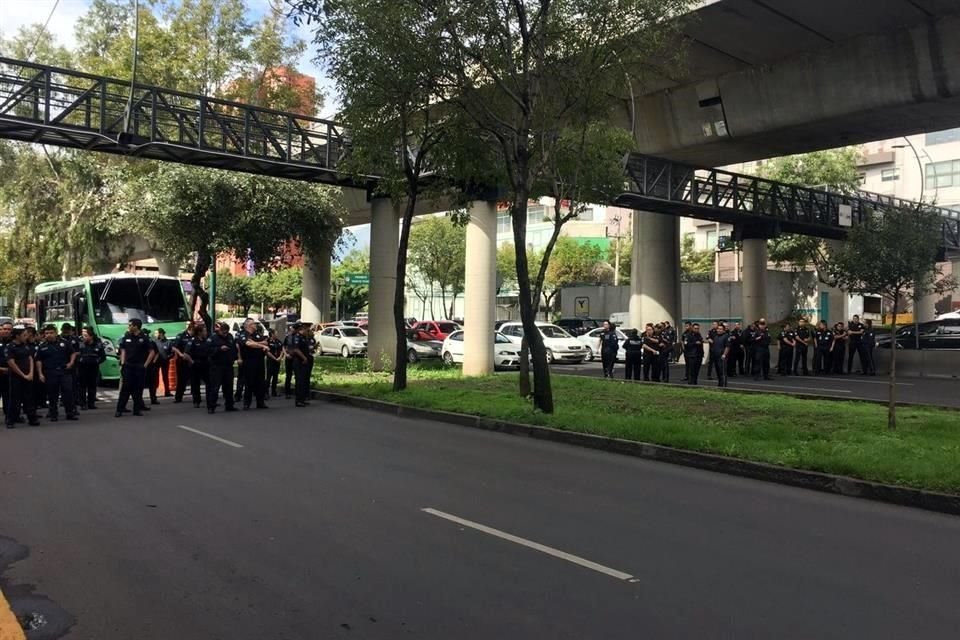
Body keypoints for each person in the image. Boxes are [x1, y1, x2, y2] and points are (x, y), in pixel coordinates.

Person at [36, 324, 79, 422]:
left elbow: (72, 353)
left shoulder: (64, 343)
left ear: (55, 333)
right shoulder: (42, 346)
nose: (49, 335)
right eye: (46, 333)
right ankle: (53, 414)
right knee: (52, 395)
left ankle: (70, 413)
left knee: (68, 393)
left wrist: (71, 362)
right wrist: (40, 374)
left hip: (64, 371)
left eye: (51, 333)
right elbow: (38, 360)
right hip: (50, 372)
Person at [116, 319, 153, 418]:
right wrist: (122, 363)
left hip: (139, 366)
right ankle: (119, 410)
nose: (128, 327)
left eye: (130, 325)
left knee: (138, 389)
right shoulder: (127, 336)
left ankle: (137, 410)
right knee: (125, 388)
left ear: (136, 326)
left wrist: (145, 364)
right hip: (128, 366)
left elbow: (151, 352)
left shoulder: (144, 338)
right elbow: (123, 350)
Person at [5, 326, 39, 428]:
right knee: (15, 399)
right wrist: (23, 375)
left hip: (28, 375)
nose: (26, 336)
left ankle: (32, 418)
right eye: (24, 335)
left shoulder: (26, 346)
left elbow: (30, 359)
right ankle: (10, 420)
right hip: (16, 376)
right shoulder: (10, 347)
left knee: (29, 398)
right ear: (17, 336)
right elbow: (11, 363)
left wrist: (31, 373)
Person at [206, 322, 238, 414]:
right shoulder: (213, 338)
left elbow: (234, 348)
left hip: (228, 365)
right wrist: (219, 349)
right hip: (217, 366)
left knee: (229, 386)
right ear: (219, 331)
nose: (225, 334)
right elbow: (207, 350)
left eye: (226, 332)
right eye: (223, 332)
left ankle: (229, 405)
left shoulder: (230, 337)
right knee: (215, 387)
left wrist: (234, 357)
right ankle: (211, 406)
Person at [238, 318, 269, 410]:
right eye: (254, 324)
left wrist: (256, 343)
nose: (255, 325)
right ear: (249, 325)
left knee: (260, 382)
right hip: (249, 361)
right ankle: (247, 403)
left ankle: (260, 402)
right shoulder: (243, 334)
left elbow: (266, 342)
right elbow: (248, 344)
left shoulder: (257, 334)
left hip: (259, 361)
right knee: (249, 382)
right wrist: (261, 345)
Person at [77, 326, 105, 410]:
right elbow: (74, 354)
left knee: (92, 386)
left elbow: (103, 356)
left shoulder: (98, 343)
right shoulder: (79, 342)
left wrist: (96, 361)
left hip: (93, 368)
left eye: (85, 335)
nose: (83, 337)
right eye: (83, 335)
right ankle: (82, 404)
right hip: (82, 368)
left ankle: (91, 403)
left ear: (91, 336)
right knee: (82, 387)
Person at [287, 322, 311, 407]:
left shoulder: (304, 337)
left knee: (304, 380)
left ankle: (303, 399)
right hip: (299, 361)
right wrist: (304, 358)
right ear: (302, 330)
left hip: (304, 362)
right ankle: (298, 400)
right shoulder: (297, 337)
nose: (307, 331)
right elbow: (296, 349)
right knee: (299, 381)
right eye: (306, 329)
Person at [60, 323, 82, 408]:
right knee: (63, 384)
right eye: (64, 330)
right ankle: (63, 399)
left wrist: (75, 354)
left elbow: (81, 350)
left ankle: (75, 399)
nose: (66, 332)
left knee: (74, 383)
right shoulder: (59, 339)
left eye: (67, 330)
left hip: (74, 364)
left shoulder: (75, 339)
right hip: (63, 363)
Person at [188, 324, 210, 408]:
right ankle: (196, 401)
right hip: (196, 364)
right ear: (199, 332)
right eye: (204, 331)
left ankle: (210, 400)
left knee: (209, 383)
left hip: (205, 364)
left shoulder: (207, 340)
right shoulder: (193, 340)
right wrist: (192, 362)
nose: (206, 332)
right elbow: (186, 354)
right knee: (195, 384)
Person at [171, 322, 194, 403]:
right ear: (189, 329)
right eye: (193, 331)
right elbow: (174, 347)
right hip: (182, 361)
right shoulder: (181, 335)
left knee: (194, 378)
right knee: (182, 380)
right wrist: (180, 354)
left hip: (192, 360)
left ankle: (196, 397)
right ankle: (178, 397)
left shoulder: (195, 336)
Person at [710, 323, 732, 387]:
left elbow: (727, 347)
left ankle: (724, 386)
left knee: (722, 372)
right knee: (718, 372)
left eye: (721, 329)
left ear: (724, 330)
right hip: (716, 357)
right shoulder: (716, 337)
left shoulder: (726, 336)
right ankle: (720, 384)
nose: (719, 330)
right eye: (718, 329)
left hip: (722, 357)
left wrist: (724, 354)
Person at [265, 328, 284, 397]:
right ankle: (266, 392)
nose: (277, 335)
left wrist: (280, 357)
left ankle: (274, 391)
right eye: (276, 333)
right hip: (271, 361)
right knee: (268, 377)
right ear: (272, 334)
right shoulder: (267, 341)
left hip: (277, 361)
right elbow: (267, 352)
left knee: (275, 377)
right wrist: (274, 358)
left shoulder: (278, 341)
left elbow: (282, 349)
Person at [155, 328, 173, 397]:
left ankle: (167, 392)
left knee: (165, 377)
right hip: (156, 362)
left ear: (161, 333)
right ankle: (154, 394)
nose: (155, 335)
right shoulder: (155, 342)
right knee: (155, 377)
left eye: (156, 333)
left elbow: (172, 353)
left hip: (165, 362)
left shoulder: (168, 342)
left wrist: (168, 357)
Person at [0, 322, 12, 423]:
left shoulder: (14, 343)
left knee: (8, 396)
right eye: (4, 329)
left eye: (9, 329)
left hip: (10, 374)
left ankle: (9, 418)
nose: (6, 331)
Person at [283, 324, 296, 399]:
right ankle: (287, 392)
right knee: (288, 375)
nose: (292, 330)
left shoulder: (297, 337)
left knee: (297, 375)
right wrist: (286, 354)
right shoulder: (288, 337)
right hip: (288, 358)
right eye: (291, 329)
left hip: (295, 358)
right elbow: (284, 347)